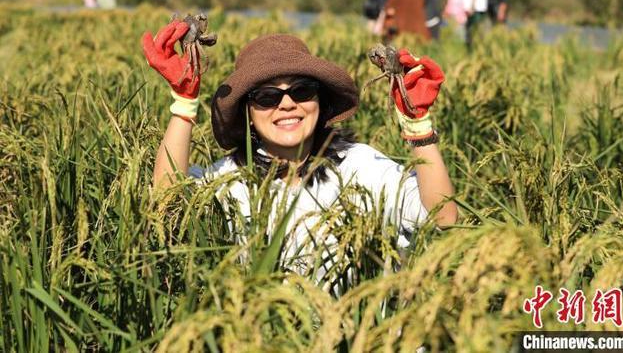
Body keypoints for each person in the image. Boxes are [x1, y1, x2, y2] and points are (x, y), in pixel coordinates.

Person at [141, 22, 457, 275]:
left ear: (320, 102)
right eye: (267, 97)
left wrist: (419, 129)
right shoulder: (231, 180)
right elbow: (167, 203)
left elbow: (442, 218)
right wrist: (183, 106)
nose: (288, 105)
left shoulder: (360, 166)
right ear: (247, 112)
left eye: (302, 91)